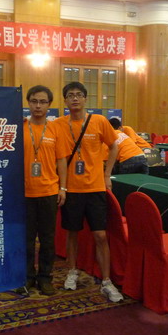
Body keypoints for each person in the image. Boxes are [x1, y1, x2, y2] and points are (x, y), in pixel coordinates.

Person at [54, 81, 124, 302]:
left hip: (95, 187)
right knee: (72, 233)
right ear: (65, 100)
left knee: (100, 235)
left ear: (85, 99)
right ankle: (72, 271)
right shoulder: (58, 124)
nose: (75, 98)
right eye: (70, 95)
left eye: (79, 95)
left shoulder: (99, 121)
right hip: (71, 189)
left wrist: (107, 174)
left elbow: (114, 146)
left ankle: (106, 281)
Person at [23, 85, 68, 295]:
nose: (38, 106)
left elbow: (61, 160)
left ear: (49, 105)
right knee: (26, 239)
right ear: (28, 103)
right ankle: (27, 276)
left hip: (49, 191)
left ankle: (45, 277)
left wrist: (63, 187)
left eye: (42, 102)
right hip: (24, 193)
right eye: (34, 101)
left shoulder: (55, 129)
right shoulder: (20, 127)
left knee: (48, 239)